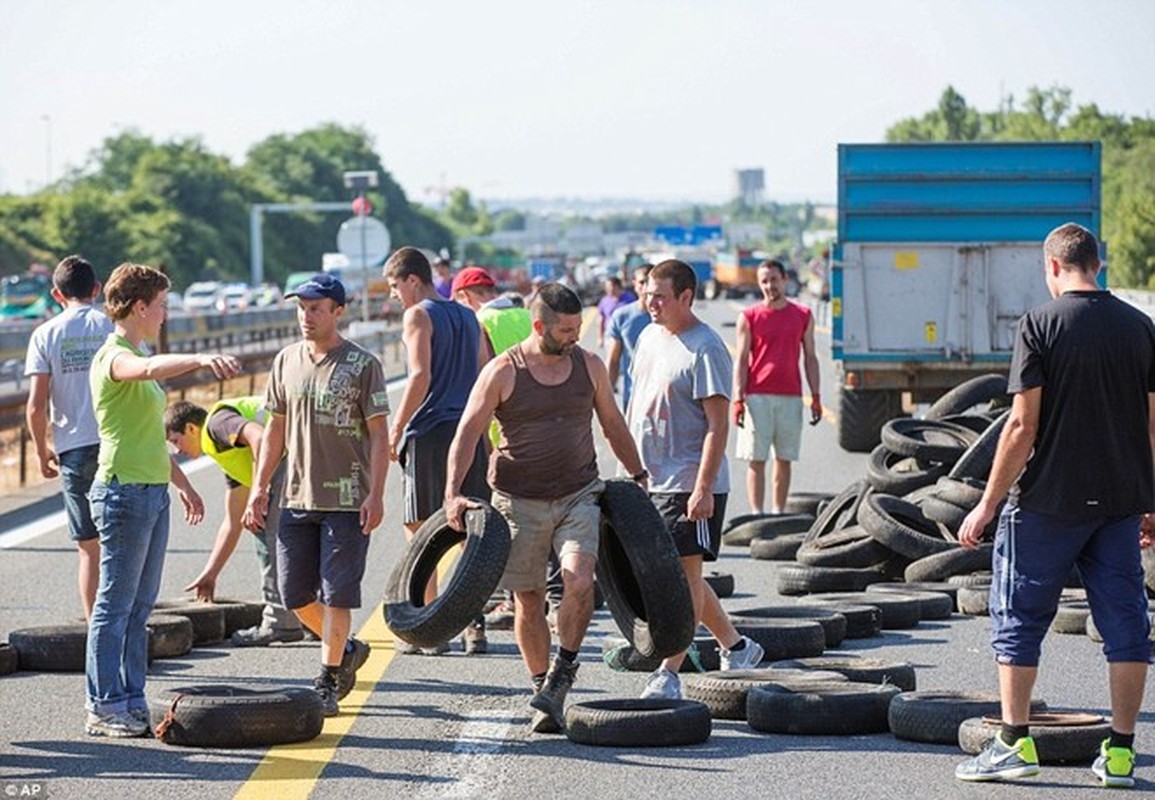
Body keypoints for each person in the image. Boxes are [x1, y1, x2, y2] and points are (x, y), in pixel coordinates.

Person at [955, 223, 1153, 788]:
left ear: (1053, 267)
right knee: (1127, 626)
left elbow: (1021, 425)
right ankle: (1119, 754)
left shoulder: (1040, 324)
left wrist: (987, 504)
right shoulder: (1142, 329)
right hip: (1118, 502)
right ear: (1099, 263)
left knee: (1018, 618)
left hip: (1047, 500)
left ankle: (1014, 745)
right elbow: (1153, 427)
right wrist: (1151, 500)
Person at [443, 282, 647, 734]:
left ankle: (563, 673)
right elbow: (468, 431)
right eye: (568, 329)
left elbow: (612, 423)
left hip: (578, 492)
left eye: (578, 327)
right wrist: (452, 493)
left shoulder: (588, 366)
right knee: (528, 599)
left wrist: (638, 477)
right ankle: (542, 687)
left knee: (578, 580)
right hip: (518, 499)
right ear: (540, 326)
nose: (576, 336)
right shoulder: (502, 371)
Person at [85, 262, 240, 738]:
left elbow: (151, 434)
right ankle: (103, 704)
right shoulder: (115, 356)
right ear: (138, 306)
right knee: (114, 604)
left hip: (150, 490)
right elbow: (146, 368)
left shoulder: (138, 351)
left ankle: (129, 698)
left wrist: (184, 483)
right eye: (162, 306)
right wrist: (199, 360)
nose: (165, 315)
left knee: (140, 605)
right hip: (122, 491)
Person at [243, 272, 388, 717]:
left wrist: (376, 494)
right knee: (294, 595)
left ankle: (327, 679)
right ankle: (345, 648)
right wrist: (259, 488)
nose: (307, 316)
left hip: (346, 499)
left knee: (339, 594)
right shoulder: (286, 360)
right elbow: (275, 429)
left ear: (337, 311)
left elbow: (380, 436)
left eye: (316, 308)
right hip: (296, 497)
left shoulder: (363, 365)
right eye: (301, 308)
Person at [626, 259, 765, 700]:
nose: (652, 303)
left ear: (686, 297)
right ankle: (737, 646)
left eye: (661, 296)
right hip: (651, 479)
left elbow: (717, 425)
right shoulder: (648, 335)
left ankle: (670, 671)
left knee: (682, 579)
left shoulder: (706, 348)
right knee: (680, 576)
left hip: (689, 482)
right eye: (648, 294)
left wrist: (703, 487)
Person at [385, 248, 491, 655]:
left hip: (429, 430)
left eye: (396, 286)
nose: (394, 295)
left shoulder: (418, 315)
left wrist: (396, 428)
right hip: (468, 428)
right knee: (469, 530)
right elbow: (485, 373)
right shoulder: (467, 315)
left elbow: (419, 375)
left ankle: (429, 627)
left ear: (413, 280)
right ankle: (473, 624)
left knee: (422, 528)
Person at [164, 398, 305, 646]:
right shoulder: (227, 452)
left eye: (176, 440)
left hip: (291, 455)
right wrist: (211, 574)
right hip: (304, 453)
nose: (177, 451)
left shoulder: (216, 424)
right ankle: (311, 618)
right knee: (288, 538)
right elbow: (232, 523)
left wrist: (257, 492)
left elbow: (260, 438)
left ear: (191, 428)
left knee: (269, 536)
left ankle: (280, 623)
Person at [24, 255, 113, 620]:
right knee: (121, 545)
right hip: (115, 443)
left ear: (56, 294)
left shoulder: (45, 334)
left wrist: (42, 450)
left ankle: (96, 630)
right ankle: (124, 625)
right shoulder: (112, 325)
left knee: (89, 549)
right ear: (97, 289)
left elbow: (35, 406)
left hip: (72, 449)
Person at [732, 259, 822, 515]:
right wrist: (738, 399)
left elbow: (811, 357)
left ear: (784, 280)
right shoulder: (748, 317)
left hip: (791, 396)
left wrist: (815, 396)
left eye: (774, 279)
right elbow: (740, 360)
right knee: (756, 459)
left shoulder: (803, 315)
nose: (769, 285)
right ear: (759, 284)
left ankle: (778, 513)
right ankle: (757, 514)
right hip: (756, 396)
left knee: (784, 459)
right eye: (764, 281)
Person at [606, 263, 653, 410]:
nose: (646, 287)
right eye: (642, 282)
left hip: (666, 399)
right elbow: (613, 361)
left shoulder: (670, 317)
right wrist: (605, 403)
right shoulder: (622, 316)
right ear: (634, 284)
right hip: (633, 396)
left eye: (651, 282)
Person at [596, 275, 636, 349]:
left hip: (628, 333)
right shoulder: (604, 301)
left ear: (617, 286)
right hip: (611, 335)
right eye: (606, 287)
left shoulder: (629, 298)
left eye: (610, 286)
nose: (608, 289)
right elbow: (601, 319)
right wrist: (600, 337)